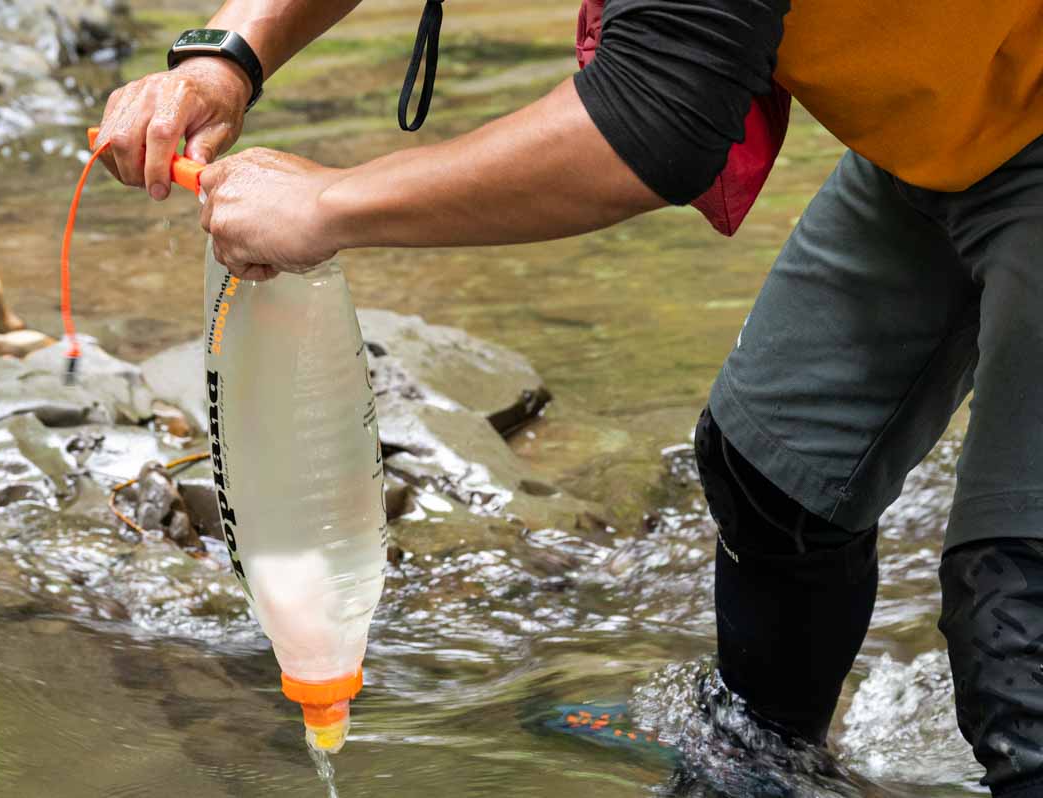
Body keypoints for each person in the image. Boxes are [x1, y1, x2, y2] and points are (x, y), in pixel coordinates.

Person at [95, 1, 1043, 794]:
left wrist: (329, 205)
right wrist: (226, 57)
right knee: (774, 475)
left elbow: (652, 121)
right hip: (951, 125)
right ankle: (765, 766)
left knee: (1019, 628)